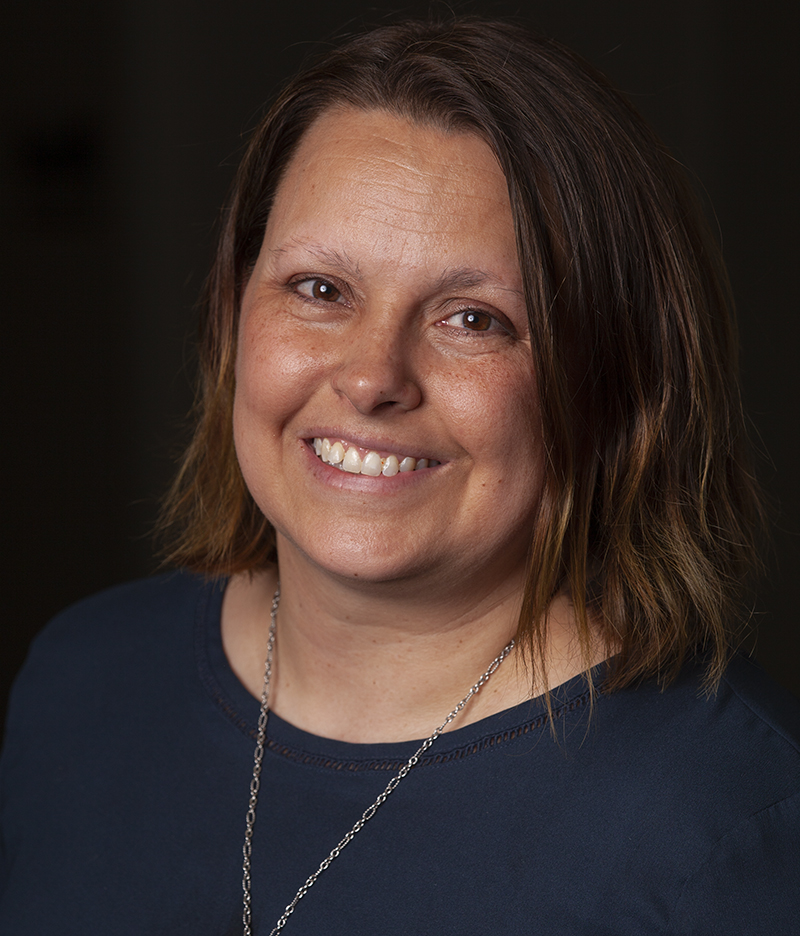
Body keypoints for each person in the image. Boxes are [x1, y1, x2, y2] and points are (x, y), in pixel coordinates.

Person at [1, 16, 798, 936]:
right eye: (319, 290)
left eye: (473, 319)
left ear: (612, 382)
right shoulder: (80, 682)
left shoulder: (728, 833)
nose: (374, 376)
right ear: (233, 313)